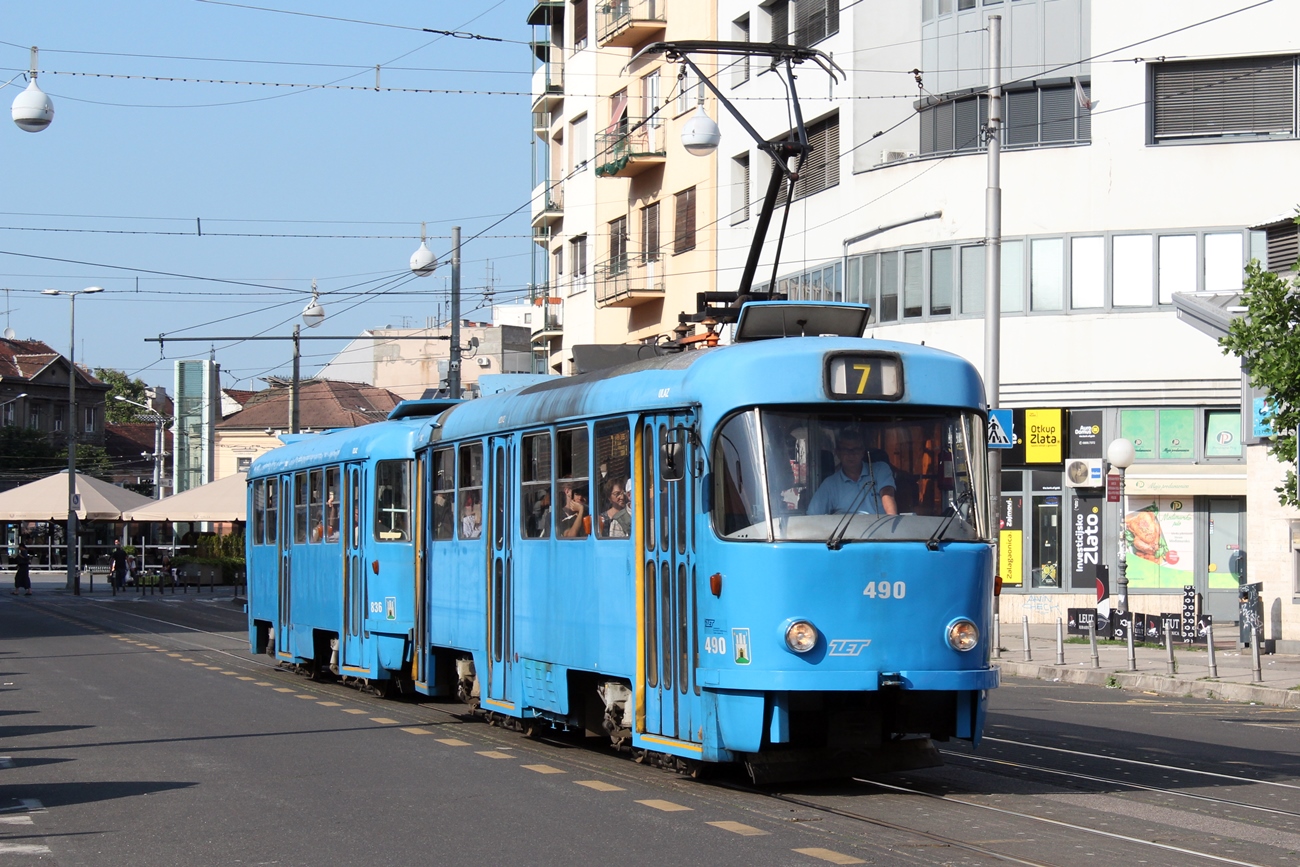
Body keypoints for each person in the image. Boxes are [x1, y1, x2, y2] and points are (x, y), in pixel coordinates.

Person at [805, 429, 899, 516]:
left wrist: (891, 523)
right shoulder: (830, 484)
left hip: (879, 531)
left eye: (856, 449)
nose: (851, 454)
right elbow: (812, 515)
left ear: (862, 451)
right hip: (845, 533)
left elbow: (888, 495)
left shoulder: (880, 469)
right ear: (838, 452)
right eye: (846, 450)